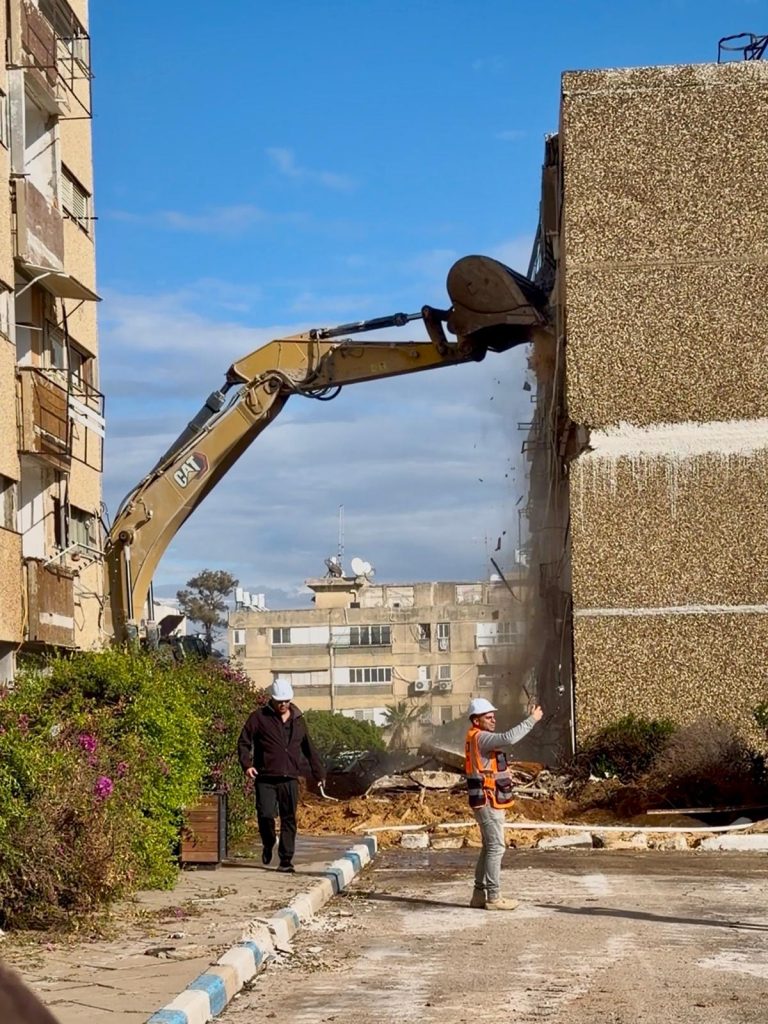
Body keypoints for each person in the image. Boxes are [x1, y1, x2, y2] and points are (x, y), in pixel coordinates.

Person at [238, 678, 325, 873]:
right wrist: (247, 765)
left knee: (288, 819)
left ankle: (286, 860)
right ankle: (268, 843)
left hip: (290, 778)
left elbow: (309, 749)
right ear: (272, 700)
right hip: (266, 777)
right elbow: (244, 742)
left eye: (286, 701)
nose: (283, 704)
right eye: (279, 701)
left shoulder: (298, 720)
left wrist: (319, 773)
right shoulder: (259, 717)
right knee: (265, 814)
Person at [464, 696, 544, 910]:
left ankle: (479, 895)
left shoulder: (476, 737)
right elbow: (509, 738)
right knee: (496, 848)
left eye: (493, 717)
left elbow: (487, 767)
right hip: (489, 801)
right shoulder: (482, 737)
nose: (493, 720)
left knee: (488, 847)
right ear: (476, 720)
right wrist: (532, 719)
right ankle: (494, 897)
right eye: (488, 717)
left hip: (484, 799)